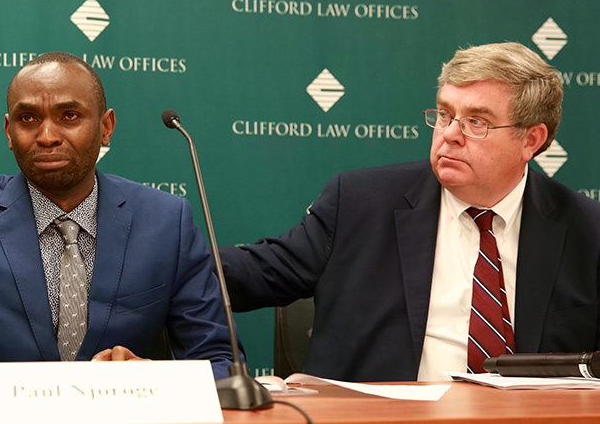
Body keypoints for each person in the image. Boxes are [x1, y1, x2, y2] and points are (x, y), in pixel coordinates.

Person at [0, 52, 236, 391]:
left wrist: (152, 381)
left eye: (69, 116)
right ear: (9, 131)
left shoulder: (167, 222)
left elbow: (223, 364)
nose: (47, 135)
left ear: (106, 127)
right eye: (28, 118)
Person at [220, 42, 600, 382]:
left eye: (476, 122)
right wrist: (171, 253)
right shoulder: (359, 202)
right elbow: (257, 273)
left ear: (530, 140)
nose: (450, 133)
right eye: (445, 114)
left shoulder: (588, 231)